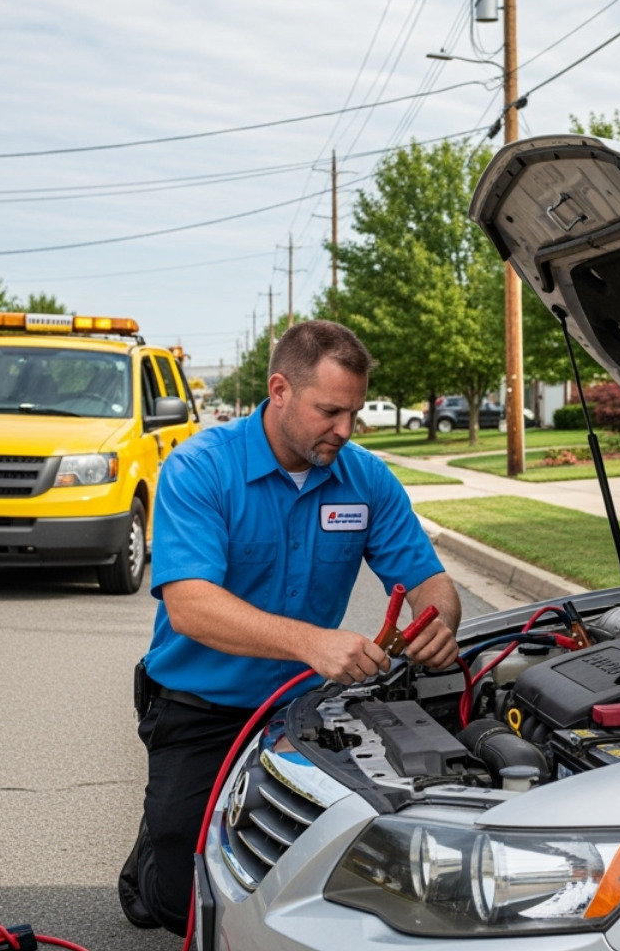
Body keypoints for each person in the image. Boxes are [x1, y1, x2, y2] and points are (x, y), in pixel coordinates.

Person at [119, 319, 460, 934]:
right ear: (279, 390)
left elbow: (429, 580)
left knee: (324, 877)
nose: (346, 430)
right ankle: (156, 848)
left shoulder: (365, 479)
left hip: (304, 713)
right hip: (201, 706)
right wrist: (313, 643)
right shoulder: (200, 469)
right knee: (179, 909)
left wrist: (438, 621)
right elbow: (191, 606)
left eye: (353, 413)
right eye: (330, 411)